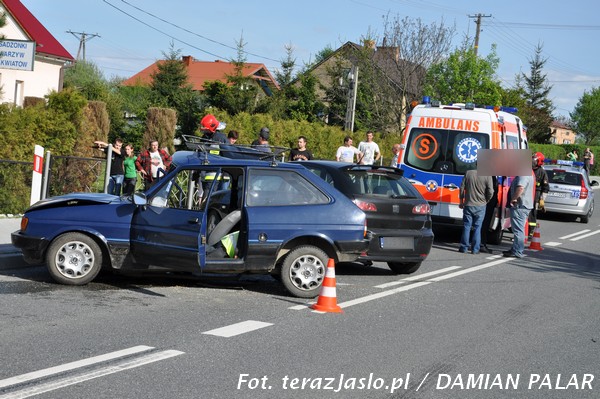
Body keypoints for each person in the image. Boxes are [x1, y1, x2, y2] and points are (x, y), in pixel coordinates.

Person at [458, 168, 494, 254]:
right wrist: (487, 200)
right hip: (481, 205)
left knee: (467, 226)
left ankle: (464, 248)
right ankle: (475, 249)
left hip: (468, 204)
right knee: (477, 227)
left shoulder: (468, 173)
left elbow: (462, 187)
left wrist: (461, 201)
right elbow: (491, 191)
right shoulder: (487, 176)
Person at [503, 173, 534, 258]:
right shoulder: (527, 174)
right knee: (519, 229)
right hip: (523, 206)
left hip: (520, 206)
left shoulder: (523, 175)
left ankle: (517, 251)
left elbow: (520, 187)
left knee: (518, 230)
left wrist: (514, 198)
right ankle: (515, 249)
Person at [528, 152, 549, 235]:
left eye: (535, 160)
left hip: (536, 194)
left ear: (539, 161)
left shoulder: (542, 172)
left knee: (533, 212)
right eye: (532, 159)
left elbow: (546, 188)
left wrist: (542, 200)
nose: (532, 161)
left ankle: (531, 231)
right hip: (527, 193)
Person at [480, 175, 499, 253]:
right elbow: (491, 190)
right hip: (487, 203)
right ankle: (481, 244)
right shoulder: (490, 176)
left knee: (484, 224)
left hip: (489, 203)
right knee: (484, 224)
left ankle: (480, 243)